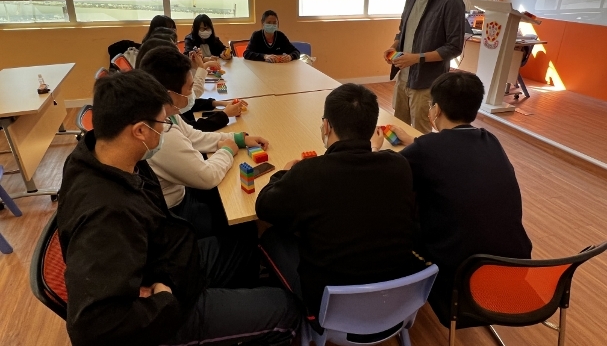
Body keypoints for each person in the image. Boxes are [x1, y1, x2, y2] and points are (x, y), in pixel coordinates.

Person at [56, 70, 299, 346]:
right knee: (286, 310)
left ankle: (233, 321)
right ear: (139, 131)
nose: (165, 129)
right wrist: (162, 300)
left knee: (246, 243)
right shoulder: (106, 215)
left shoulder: (110, 156)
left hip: (171, 264)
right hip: (168, 313)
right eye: (162, 123)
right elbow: (91, 329)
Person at [255, 83, 424, 331]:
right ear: (372, 128)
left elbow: (264, 207)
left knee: (270, 236)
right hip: (397, 300)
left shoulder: (309, 173)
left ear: (326, 126)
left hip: (329, 309)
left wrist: (284, 173)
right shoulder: (399, 165)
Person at [385, 71, 532, 326]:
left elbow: (384, 175)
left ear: (436, 110)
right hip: (514, 269)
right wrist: (417, 141)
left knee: (399, 215)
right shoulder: (490, 140)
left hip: (459, 278)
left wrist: (378, 148)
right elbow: (454, 154)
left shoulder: (426, 149)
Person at [139, 47, 268, 238]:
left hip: (179, 190)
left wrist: (238, 139)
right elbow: (207, 177)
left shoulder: (166, 113)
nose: (193, 93)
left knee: (222, 195)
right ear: (169, 94)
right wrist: (226, 151)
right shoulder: (161, 132)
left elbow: (194, 137)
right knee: (242, 225)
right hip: (173, 213)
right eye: (190, 87)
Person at [384, 0, 465, 134]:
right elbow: (404, 30)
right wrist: (394, 46)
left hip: (426, 82)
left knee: (421, 133)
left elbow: (454, 47)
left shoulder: (451, 1)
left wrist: (417, 58)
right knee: (398, 130)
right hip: (403, 77)